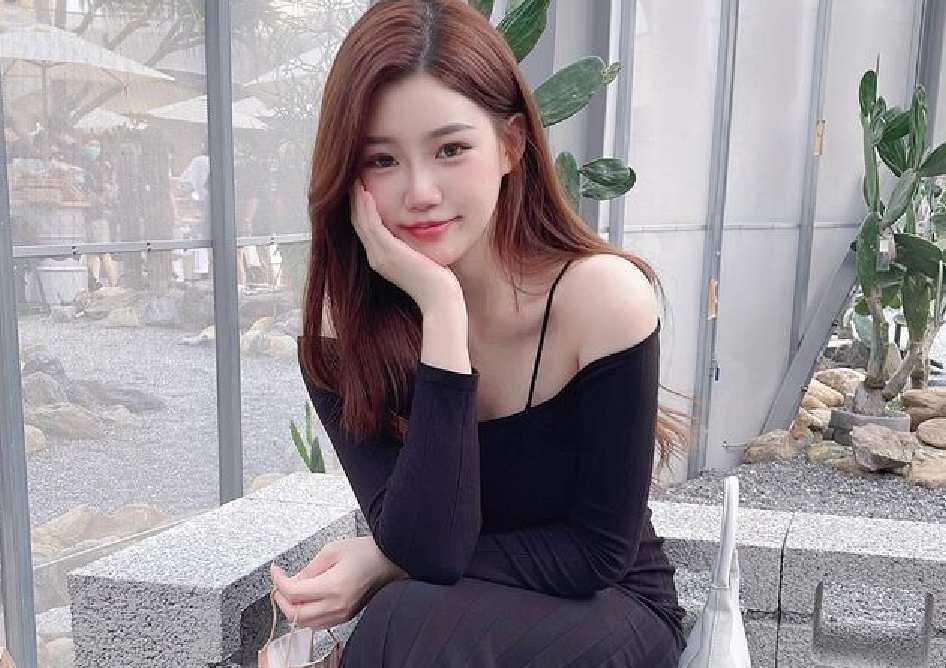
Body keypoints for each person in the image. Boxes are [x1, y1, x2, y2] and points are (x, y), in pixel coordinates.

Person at [277, 1, 692, 665]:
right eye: (381, 160)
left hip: (610, 607)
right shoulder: (341, 337)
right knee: (412, 621)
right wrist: (443, 313)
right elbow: (431, 548)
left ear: (510, 144)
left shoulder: (600, 299)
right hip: (454, 613)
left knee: (406, 619)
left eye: (450, 150)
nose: (420, 191)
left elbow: (595, 554)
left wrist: (383, 563)